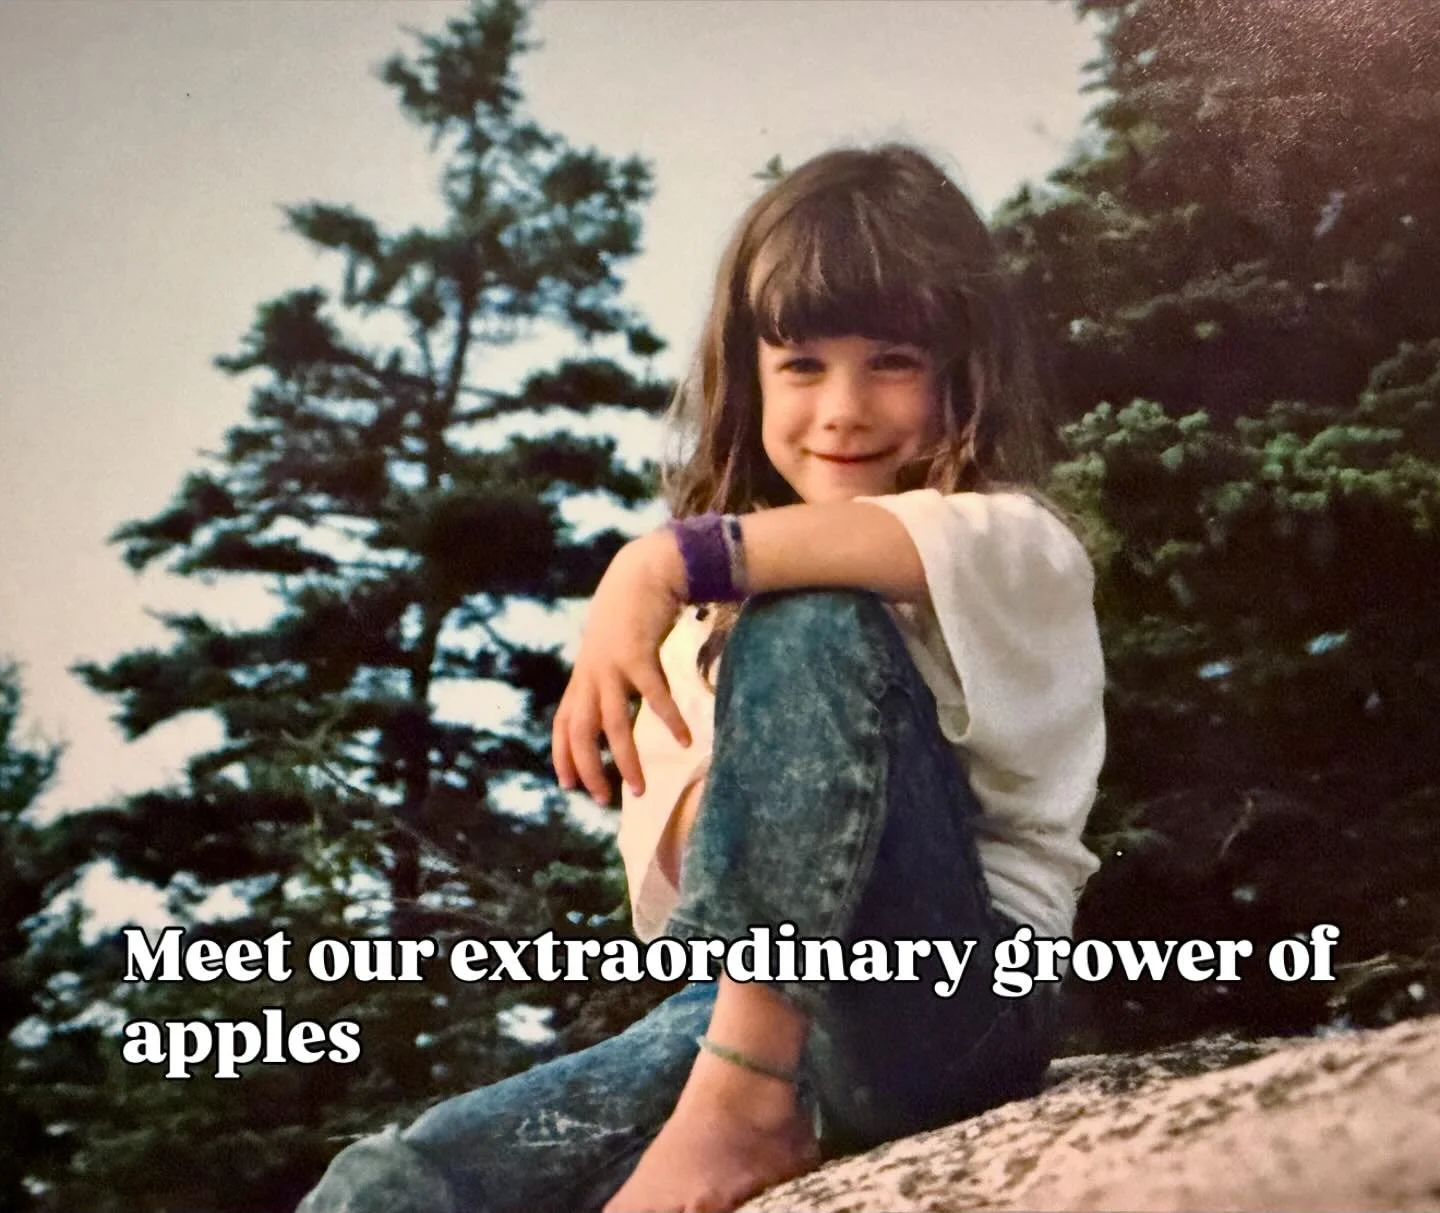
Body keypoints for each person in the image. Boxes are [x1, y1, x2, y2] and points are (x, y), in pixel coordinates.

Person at [297, 142, 1105, 1213]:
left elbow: (837, 557)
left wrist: (660, 557)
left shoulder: (1015, 542)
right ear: (753, 375)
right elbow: (690, 882)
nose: (845, 409)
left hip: (957, 999)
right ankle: (743, 1097)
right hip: (737, 1015)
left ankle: (742, 1104)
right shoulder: (707, 633)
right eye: (804, 365)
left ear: (967, 375)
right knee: (398, 1181)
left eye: (894, 362)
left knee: (811, 611)